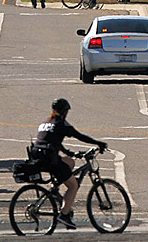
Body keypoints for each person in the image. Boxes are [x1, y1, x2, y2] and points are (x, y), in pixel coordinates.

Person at [32, 98, 107, 230]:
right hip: (50, 159)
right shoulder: (61, 123)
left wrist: (69, 153)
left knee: (70, 162)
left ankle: (56, 190)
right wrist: (98, 143)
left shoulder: (46, 122)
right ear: (64, 111)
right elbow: (79, 135)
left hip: (39, 157)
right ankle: (64, 215)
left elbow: (53, 140)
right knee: (73, 185)